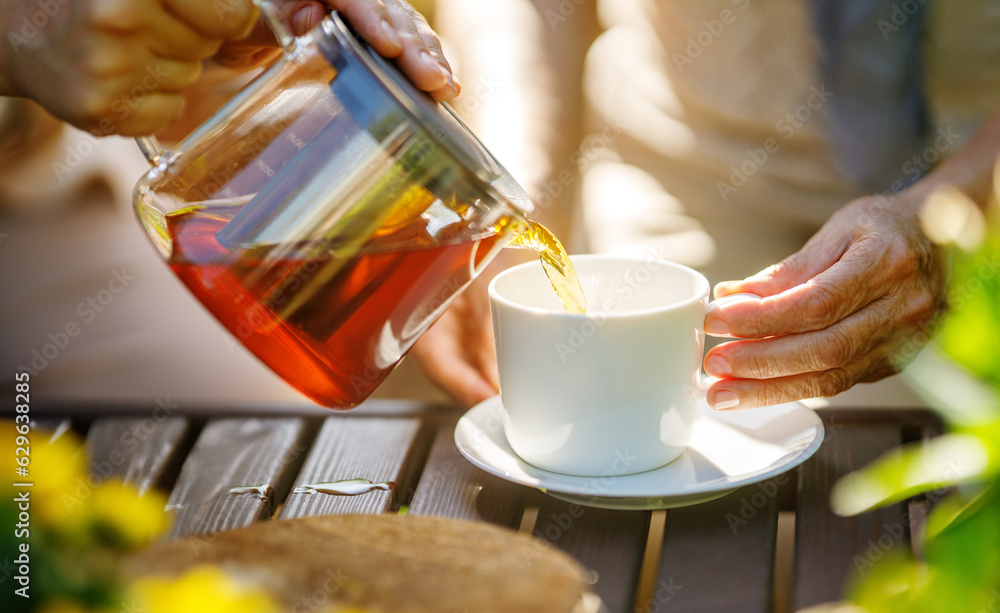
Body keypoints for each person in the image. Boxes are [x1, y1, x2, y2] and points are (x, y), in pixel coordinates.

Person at [410, 0, 1000, 410]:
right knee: (629, 420)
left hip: (981, 190)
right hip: (689, 172)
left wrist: (946, 216)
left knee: (913, 478)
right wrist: (512, 182)